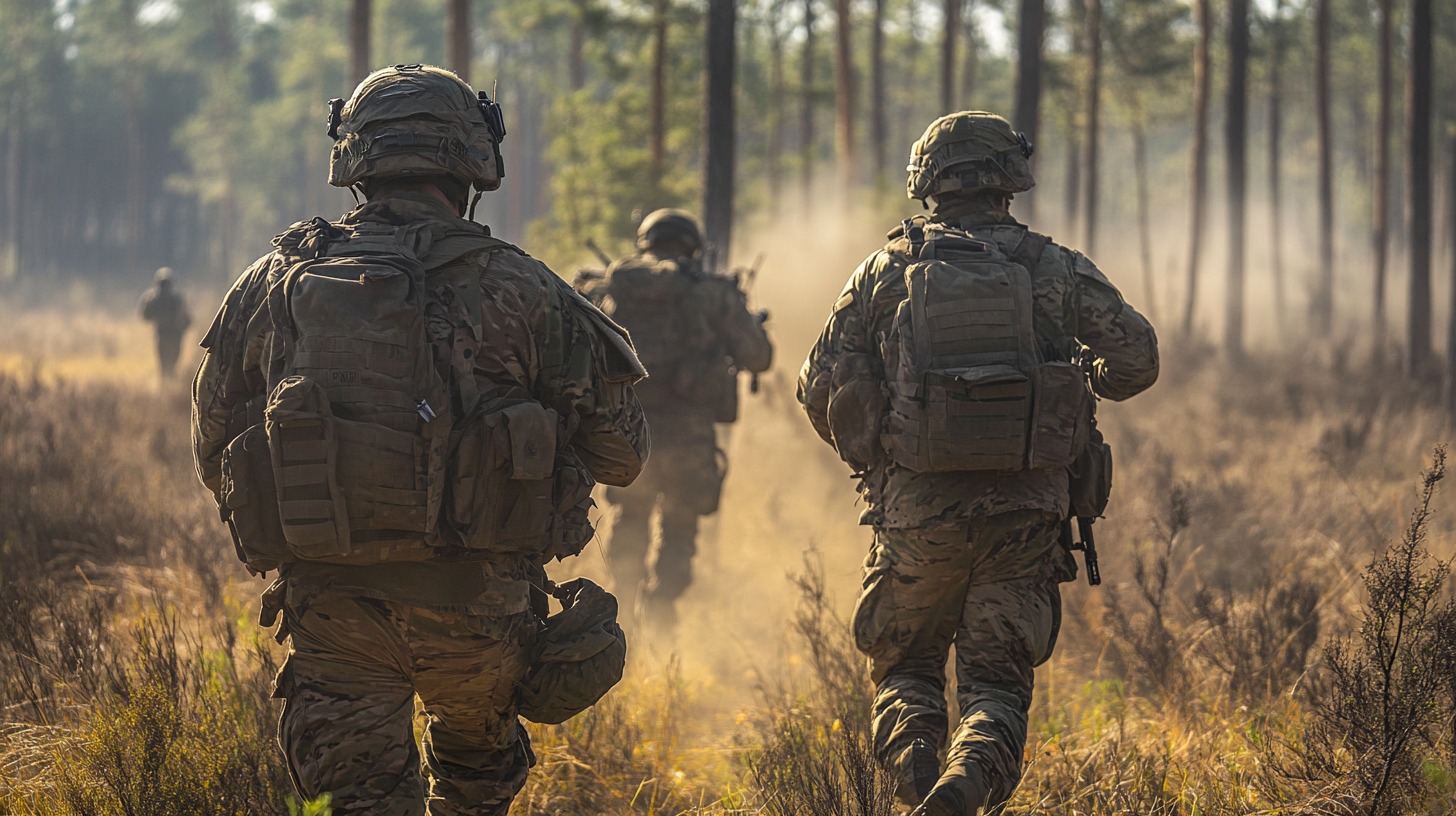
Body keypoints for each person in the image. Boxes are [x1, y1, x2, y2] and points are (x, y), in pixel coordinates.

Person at [190, 64, 649, 815]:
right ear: (471, 160)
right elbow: (623, 457)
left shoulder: (273, 280)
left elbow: (213, 447)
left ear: (354, 160)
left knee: (359, 802)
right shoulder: (526, 288)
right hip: (481, 619)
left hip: (333, 619)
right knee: (475, 784)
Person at [797, 111, 1158, 815]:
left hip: (915, 514)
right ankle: (966, 780)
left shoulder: (886, 270)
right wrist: (1087, 382)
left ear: (927, 181)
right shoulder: (1053, 268)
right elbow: (1138, 358)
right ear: (1009, 180)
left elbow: (818, 388)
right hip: (1025, 515)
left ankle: (916, 776)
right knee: (996, 684)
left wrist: (879, 454)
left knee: (906, 668)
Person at [582, 209, 772, 630]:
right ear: (692, 246)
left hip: (630, 430)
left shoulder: (616, 288)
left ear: (646, 242)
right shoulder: (712, 292)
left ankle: (623, 609)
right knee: (680, 525)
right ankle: (662, 610)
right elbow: (758, 356)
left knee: (629, 516)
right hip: (689, 433)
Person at [138, 266, 192, 378]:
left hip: (171, 335)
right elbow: (145, 314)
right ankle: (168, 387)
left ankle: (168, 387)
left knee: (169, 363)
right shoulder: (166, 298)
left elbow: (187, 319)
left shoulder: (170, 299)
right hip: (167, 335)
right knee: (167, 364)